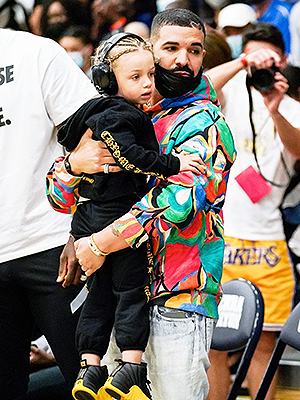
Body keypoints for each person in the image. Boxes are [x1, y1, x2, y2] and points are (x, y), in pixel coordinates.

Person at [47, 8, 236, 400]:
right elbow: (57, 198)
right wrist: (73, 166)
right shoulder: (116, 110)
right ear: (149, 52)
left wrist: (98, 243)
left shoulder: (205, 122)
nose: (183, 59)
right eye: (171, 48)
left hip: (178, 298)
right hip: (115, 296)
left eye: (195, 50)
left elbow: (176, 203)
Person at [0, 28, 98, 400]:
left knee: (91, 382)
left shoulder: (35, 52)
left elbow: (98, 132)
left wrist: (81, 230)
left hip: (52, 245)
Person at [206, 22, 300, 400]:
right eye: (253, 56)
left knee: (263, 347)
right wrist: (243, 61)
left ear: (285, 60)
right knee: (213, 345)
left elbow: (298, 151)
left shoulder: (291, 105)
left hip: (269, 243)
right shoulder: (226, 93)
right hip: (218, 238)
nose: (261, 66)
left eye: (269, 58)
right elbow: (198, 88)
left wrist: (275, 111)